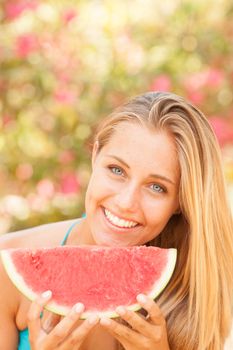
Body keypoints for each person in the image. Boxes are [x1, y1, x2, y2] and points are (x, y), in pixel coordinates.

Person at [0, 91, 232, 350]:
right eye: (117, 170)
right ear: (95, 155)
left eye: (156, 187)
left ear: (181, 202)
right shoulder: (5, 267)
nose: (125, 203)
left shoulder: (192, 297)